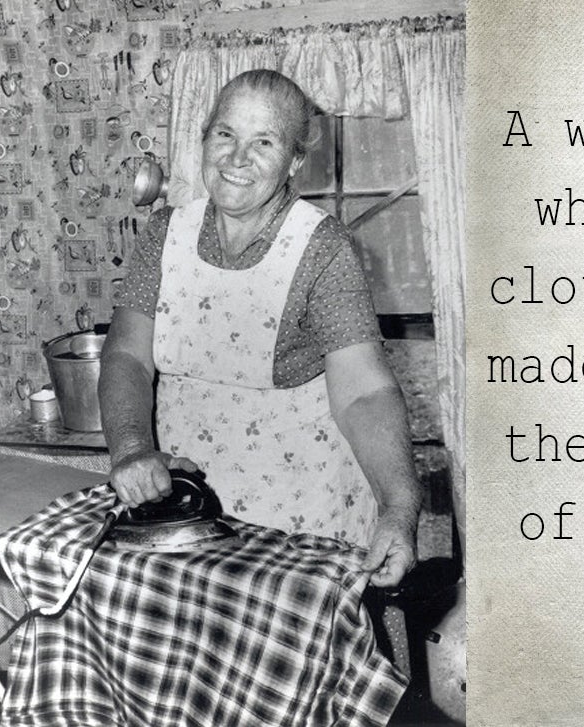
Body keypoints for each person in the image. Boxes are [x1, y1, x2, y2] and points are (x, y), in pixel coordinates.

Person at [99, 69, 420, 587]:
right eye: (225, 135)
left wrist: (398, 509)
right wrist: (133, 449)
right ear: (204, 138)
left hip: (300, 521)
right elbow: (126, 357)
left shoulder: (323, 248)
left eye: (263, 142)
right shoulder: (165, 233)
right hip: (188, 512)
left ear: (295, 161)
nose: (237, 158)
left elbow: (364, 393)